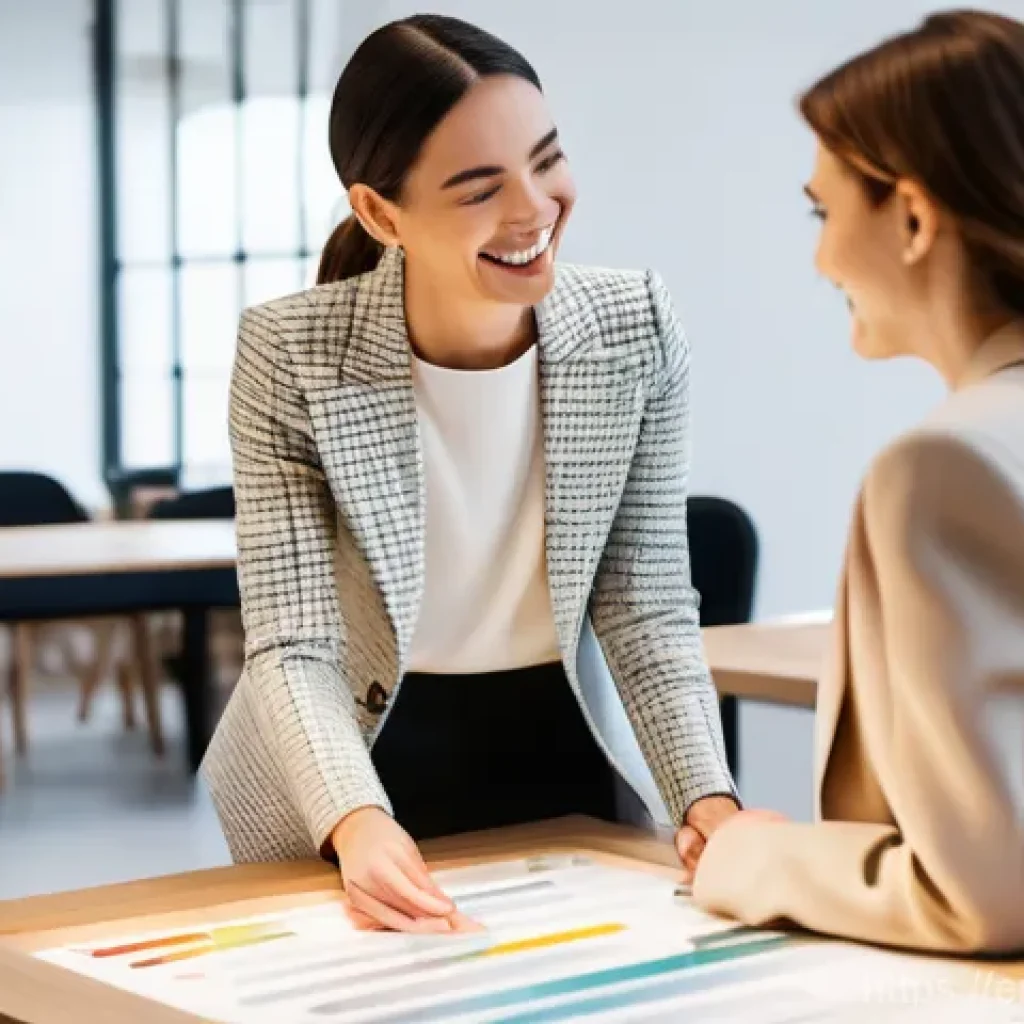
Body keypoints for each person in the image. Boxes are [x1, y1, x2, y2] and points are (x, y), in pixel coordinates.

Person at [202, 14, 739, 935]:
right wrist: (355, 819)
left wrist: (709, 804)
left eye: (546, 159)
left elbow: (644, 603)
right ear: (380, 214)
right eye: (479, 189)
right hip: (355, 759)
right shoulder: (290, 353)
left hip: (560, 733)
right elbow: (294, 643)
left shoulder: (635, 327)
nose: (534, 209)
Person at [693, 10, 1024, 955]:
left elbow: (988, 893)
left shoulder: (942, 468)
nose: (820, 256)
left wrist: (756, 858)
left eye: (823, 210)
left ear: (914, 218)